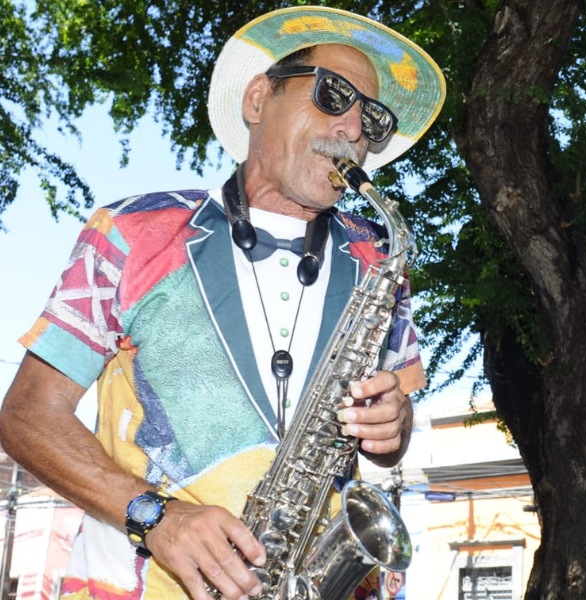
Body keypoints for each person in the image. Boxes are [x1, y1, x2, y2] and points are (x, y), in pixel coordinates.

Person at [0, 6, 446, 600]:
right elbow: (27, 414)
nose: (350, 129)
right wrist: (154, 516)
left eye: (372, 119)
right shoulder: (131, 231)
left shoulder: (378, 257)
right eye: (332, 95)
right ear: (259, 98)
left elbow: (394, 441)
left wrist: (396, 425)